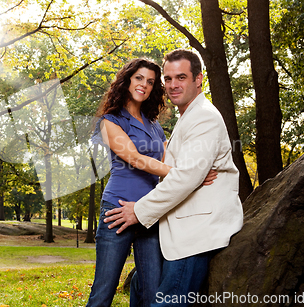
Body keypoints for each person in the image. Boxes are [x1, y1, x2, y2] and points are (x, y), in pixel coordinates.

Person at [104, 49, 244, 306]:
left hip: (195, 234)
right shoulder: (186, 118)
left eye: (181, 77)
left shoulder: (203, 117)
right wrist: (185, 174)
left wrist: (139, 210)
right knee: (140, 287)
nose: (173, 85)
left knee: (167, 300)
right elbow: (177, 169)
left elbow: (185, 178)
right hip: (177, 229)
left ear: (198, 79)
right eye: (167, 79)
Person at [86, 57, 216, 307]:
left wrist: (193, 173)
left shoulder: (155, 126)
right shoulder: (110, 121)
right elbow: (135, 158)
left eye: (150, 81)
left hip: (149, 213)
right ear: (126, 80)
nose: (144, 85)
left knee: (152, 291)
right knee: (104, 291)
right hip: (118, 209)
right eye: (139, 78)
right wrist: (189, 176)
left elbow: (169, 161)